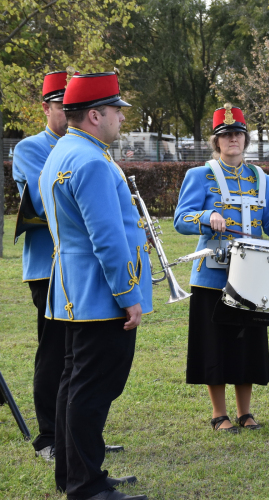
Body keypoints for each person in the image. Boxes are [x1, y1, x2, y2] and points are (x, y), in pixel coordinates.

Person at [40, 71, 151, 500]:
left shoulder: (62, 152)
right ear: (93, 115)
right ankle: (86, 486)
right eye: (115, 112)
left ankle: (75, 474)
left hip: (73, 292)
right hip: (102, 296)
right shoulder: (90, 160)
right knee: (92, 391)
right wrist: (129, 296)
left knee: (74, 386)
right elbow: (107, 237)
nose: (121, 119)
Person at [12, 69, 125, 464]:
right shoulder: (33, 148)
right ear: (47, 108)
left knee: (80, 363)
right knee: (57, 355)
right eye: (61, 105)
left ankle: (79, 440)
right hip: (50, 265)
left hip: (82, 265)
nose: (66, 111)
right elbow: (46, 206)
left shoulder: (85, 147)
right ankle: (50, 438)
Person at [174, 104, 269, 433]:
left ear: (245, 139)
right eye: (225, 135)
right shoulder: (198, 176)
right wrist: (206, 217)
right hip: (211, 277)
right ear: (216, 142)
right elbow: (180, 218)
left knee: (247, 344)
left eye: (237, 134)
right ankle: (220, 414)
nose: (232, 139)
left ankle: (246, 413)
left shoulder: (262, 179)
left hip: (253, 276)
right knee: (214, 344)